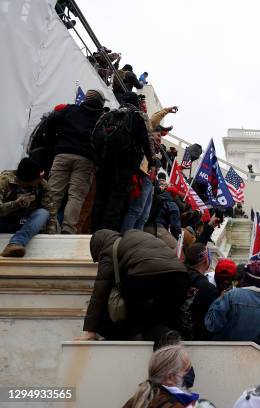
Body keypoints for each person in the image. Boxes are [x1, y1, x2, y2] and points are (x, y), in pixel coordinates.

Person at [77, 229, 190, 341]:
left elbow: (100, 292)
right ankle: (170, 336)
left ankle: (137, 337)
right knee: (161, 319)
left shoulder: (109, 248)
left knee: (139, 321)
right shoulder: (136, 235)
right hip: (180, 276)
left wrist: (90, 330)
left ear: (99, 248)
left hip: (147, 278)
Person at [91, 92, 154, 232]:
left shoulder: (108, 115)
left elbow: (94, 138)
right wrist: (153, 162)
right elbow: (147, 142)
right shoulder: (138, 117)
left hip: (103, 165)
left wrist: (97, 161)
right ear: (136, 103)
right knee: (116, 202)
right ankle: (107, 236)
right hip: (125, 167)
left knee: (100, 199)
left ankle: (93, 233)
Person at [45, 90, 105, 234]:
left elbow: (49, 122)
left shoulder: (70, 109)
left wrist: (54, 142)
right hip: (85, 160)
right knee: (76, 196)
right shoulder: (101, 118)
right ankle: (68, 229)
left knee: (53, 193)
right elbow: (102, 141)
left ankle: (48, 226)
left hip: (62, 155)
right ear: (100, 102)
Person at [205, 260, 260, 342]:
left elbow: (212, 324)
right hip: (254, 350)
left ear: (245, 278)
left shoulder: (232, 295)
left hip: (226, 348)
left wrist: (220, 299)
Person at [0, 158, 51, 257]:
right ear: (27, 180)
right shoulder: (4, 181)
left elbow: (50, 209)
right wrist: (16, 204)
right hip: (5, 221)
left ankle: (16, 243)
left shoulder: (42, 184)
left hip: (26, 224)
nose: (41, 181)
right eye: (37, 179)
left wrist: (50, 235)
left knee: (43, 213)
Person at [122, 344, 200, 408]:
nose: (191, 372)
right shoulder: (175, 405)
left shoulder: (137, 399)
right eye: (186, 370)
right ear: (170, 378)